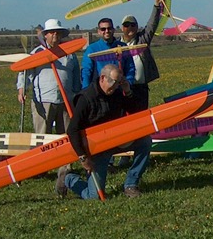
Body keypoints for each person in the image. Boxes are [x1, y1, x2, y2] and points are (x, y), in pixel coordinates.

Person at [63, 63, 151, 199]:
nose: (115, 87)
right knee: (94, 197)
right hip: (97, 148)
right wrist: (83, 157)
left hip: (117, 140)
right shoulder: (85, 98)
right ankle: (69, 179)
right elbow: (73, 130)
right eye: (113, 83)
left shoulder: (116, 93)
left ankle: (131, 184)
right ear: (102, 78)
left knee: (145, 141)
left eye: (118, 83)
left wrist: (127, 91)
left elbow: (135, 110)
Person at [16, 18, 80, 135]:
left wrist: (77, 95)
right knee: (43, 135)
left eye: (58, 32)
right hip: (44, 100)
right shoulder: (37, 53)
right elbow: (25, 73)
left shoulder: (70, 53)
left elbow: (76, 75)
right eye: (52, 32)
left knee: (67, 135)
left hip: (66, 100)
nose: (55, 34)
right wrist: (21, 90)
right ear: (45, 35)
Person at [120, 0, 164, 110]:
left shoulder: (142, 40)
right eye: (126, 25)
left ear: (137, 27)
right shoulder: (117, 45)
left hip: (141, 89)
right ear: (122, 28)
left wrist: (157, 5)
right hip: (123, 89)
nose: (130, 27)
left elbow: (151, 25)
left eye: (133, 25)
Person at [81, 18, 135, 90]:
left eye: (109, 28)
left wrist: (128, 83)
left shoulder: (123, 47)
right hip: (99, 90)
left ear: (113, 30)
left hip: (119, 90)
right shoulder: (92, 49)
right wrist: (86, 90)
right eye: (103, 29)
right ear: (99, 31)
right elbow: (86, 71)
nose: (107, 31)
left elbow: (130, 68)